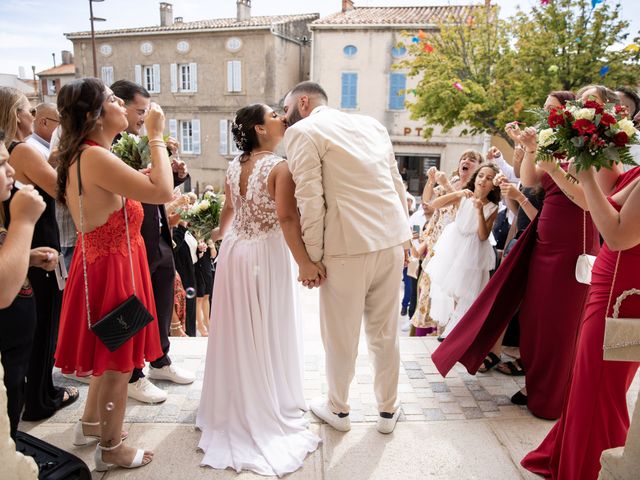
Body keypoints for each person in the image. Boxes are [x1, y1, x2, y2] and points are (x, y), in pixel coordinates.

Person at [432, 88, 615, 420]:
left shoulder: (599, 151)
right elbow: (530, 179)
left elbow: (589, 201)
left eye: (551, 109)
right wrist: (532, 148)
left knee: (558, 320)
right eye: (543, 108)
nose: (544, 114)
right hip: (543, 238)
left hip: (572, 244)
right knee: (533, 315)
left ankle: (553, 392)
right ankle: (536, 381)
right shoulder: (559, 144)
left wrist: (556, 170)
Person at [53, 77, 173, 470]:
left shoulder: (88, 154)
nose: (122, 104)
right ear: (94, 115)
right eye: (112, 99)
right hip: (113, 269)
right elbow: (163, 192)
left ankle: (90, 424)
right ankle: (111, 449)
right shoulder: (94, 157)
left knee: (107, 359)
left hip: (108, 262)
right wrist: (156, 136)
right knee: (118, 364)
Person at [196, 103, 321, 476]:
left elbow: (228, 211)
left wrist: (219, 235)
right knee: (267, 324)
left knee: (237, 327)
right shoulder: (279, 167)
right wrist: (305, 263)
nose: (282, 119)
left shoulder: (234, 166)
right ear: (259, 129)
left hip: (236, 252)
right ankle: (268, 396)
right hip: (265, 254)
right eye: (274, 116)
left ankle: (238, 392)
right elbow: (286, 217)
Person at [283, 81, 410, 434]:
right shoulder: (372, 125)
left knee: (340, 337)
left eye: (286, 108)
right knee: (385, 333)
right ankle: (388, 411)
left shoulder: (303, 132)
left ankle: (339, 410)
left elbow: (310, 199)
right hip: (389, 240)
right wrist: (406, 237)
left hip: (345, 248)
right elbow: (395, 181)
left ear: (302, 102)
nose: (284, 116)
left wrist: (313, 259)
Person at [522, 163, 640, 479]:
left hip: (622, 289)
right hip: (610, 279)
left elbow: (616, 235)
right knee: (588, 381)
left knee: (601, 386)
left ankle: (590, 469)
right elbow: (606, 203)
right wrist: (589, 160)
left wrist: (585, 175)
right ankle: (573, 458)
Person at [110, 80, 195, 404]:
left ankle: (160, 359)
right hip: (128, 240)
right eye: (141, 111)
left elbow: (156, 188)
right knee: (130, 307)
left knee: (160, 302)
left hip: (156, 235)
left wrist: (174, 173)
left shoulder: (139, 142)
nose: (145, 118)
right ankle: (131, 375)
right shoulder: (110, 146)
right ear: (120, 105)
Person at [0, 86, 78, 421]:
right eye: (29, 110)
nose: (33, 115)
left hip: (26, 240)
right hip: (37, 234)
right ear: (17, 115)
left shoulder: (12, 151)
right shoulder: (22, 150)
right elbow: (61, 191)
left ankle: (41, 393)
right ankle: (40, 399)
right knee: (43, 324)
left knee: (42, 323)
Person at [0, 129, 58, 438]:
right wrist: (23, 221)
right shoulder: (15, 212)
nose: (11, 171)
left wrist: (30, 256)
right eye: (1, 164)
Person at [410, 153, 482, 337]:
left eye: (472, 160)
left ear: (480, 167)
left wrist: (447, 185)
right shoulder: (454, 181)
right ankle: (430, 332)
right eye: (463, 158)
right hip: (436, 240)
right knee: (428, 289)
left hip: (455, 246)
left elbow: (462, 211)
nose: (465, 161)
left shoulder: (475, 188)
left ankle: (444, 333)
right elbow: (428, 201)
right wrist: (431, 181)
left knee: (447, 291)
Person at [426, 164, 500, 340]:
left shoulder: (493, 207)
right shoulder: (463, 197)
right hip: (454, 244)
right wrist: (458, 193)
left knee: (468, 292)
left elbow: (483, 236)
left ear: (493, 185)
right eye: (481, 176)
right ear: (475, 179)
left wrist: (479, 211)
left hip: (474, 251)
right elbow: (433, 204)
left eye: (489, 178)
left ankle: (456, 331)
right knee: (453, 289)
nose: (483, 180)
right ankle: (452, 328)